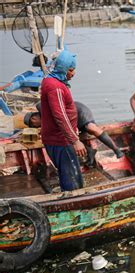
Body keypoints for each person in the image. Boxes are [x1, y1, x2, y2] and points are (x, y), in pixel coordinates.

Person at [40, 50, 85, 191]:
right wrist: (75, 140)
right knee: (71, 179)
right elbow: (60, 115)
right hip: (61, 140)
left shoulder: (51, 81)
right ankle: (74, 207)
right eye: (71, 70)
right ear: (63, 69)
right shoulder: (55, 87)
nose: (73, 73)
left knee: (71, 175)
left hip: (60, 139)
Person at [25, 102, 124, 158]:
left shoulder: (41, 108)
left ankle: (116, 150)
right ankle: (90, 151)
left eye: (34, 125)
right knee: (63, 139)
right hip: (71, 123)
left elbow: (41, 104)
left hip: (79, 113)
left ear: (34, 118)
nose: (37, 127)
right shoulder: (48, 123)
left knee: (91, 128)